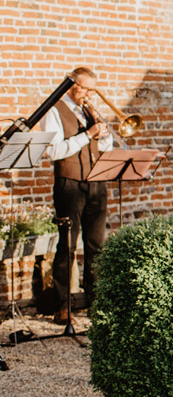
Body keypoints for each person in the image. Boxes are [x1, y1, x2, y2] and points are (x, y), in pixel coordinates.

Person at [39, 67, 112, 323]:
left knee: (95, 246)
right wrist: (88, 135)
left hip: (96, 182)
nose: (89, 94)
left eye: (93, 89)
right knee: (67, 246)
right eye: (85, 88)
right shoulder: (54, 110)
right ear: (71, 85)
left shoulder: (89, 110)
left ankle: (95, 301)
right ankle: (62, 306)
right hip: (69, 183)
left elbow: (103, 147)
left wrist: (103, 137)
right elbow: (54, 152)